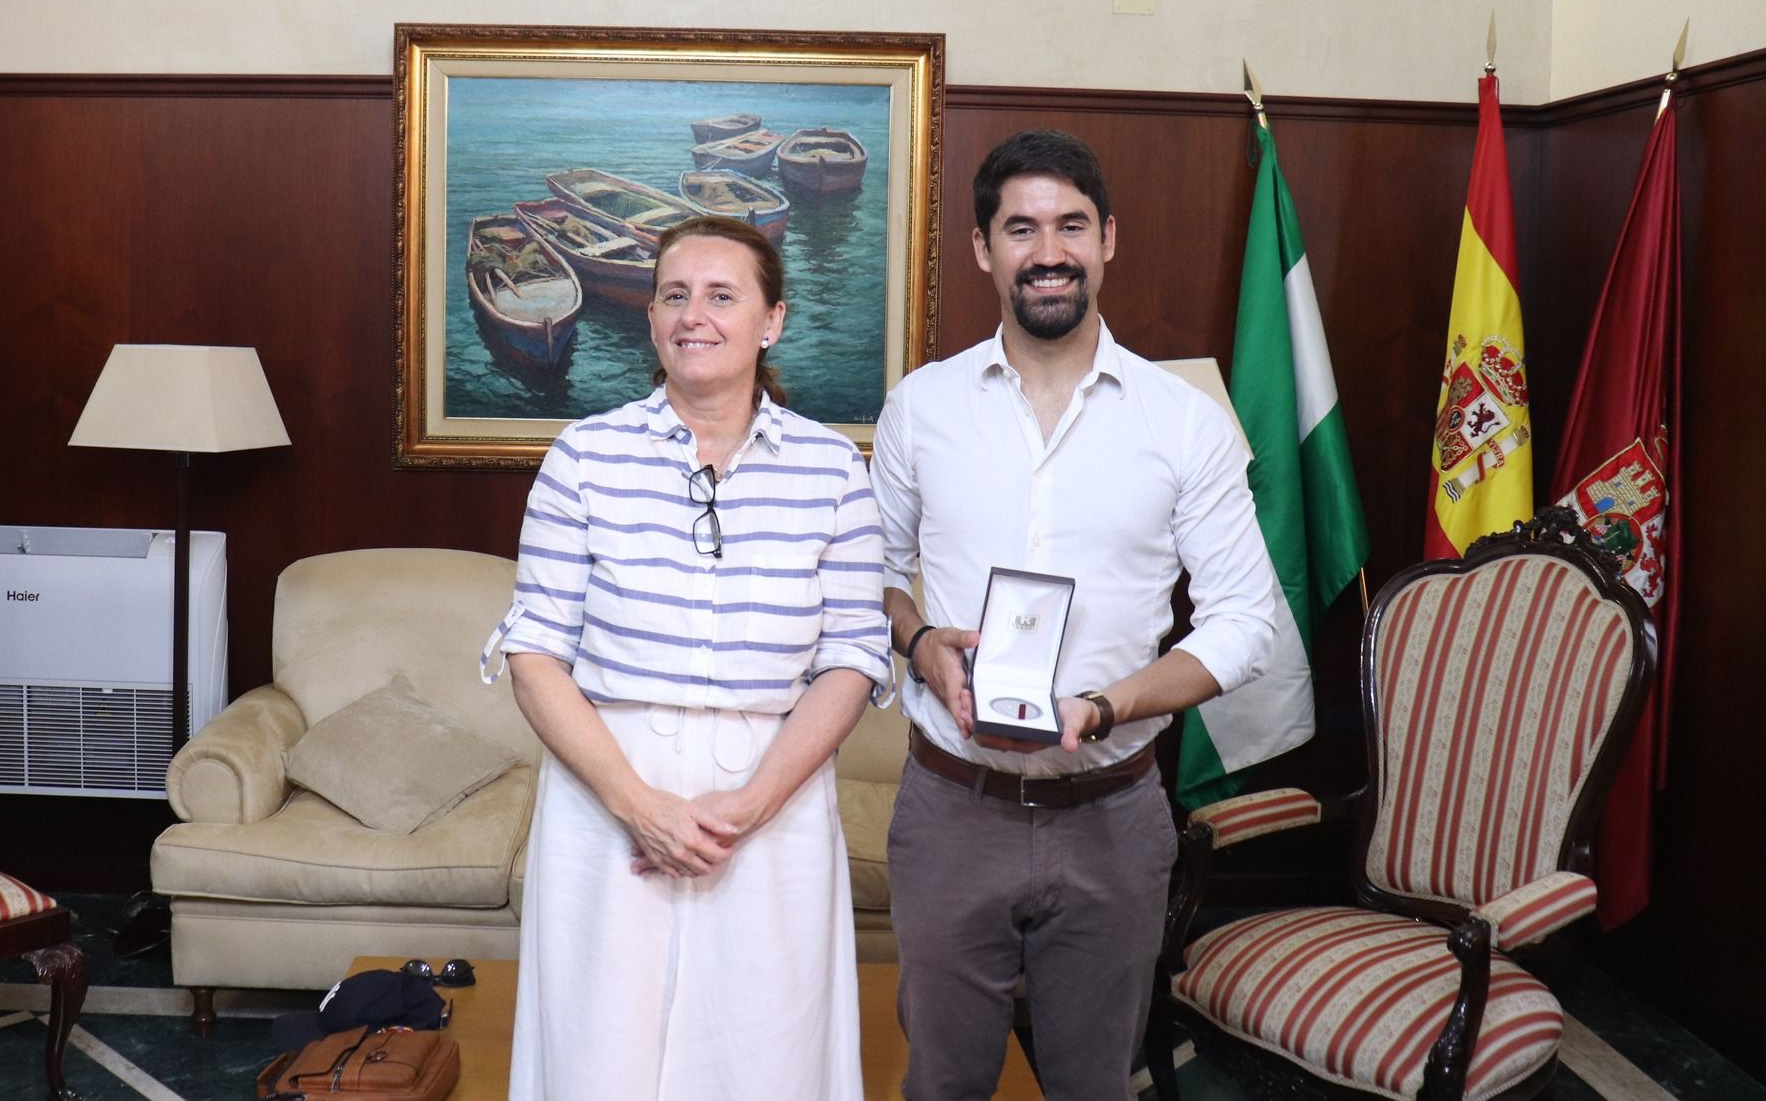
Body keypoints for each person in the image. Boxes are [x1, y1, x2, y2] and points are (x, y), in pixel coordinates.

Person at [871, 128, 1275, 1100]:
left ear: (1107, 240)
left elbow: (1244, 622)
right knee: (942, 1084)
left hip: (1112, 814)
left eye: (1070, 226)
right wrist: (920, 644)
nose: (1047, 251)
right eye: (1020, 228)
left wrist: (1104, 706)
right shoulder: (920, 408)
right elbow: (868, 577)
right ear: (983, 248)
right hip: (951, 807)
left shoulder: (1184, 422)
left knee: (1093, 1085)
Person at [483, 215, 891, 1100]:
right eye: (674, 294)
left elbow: (853, 658)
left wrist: (750, 804)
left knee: (766, 1059)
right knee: (599, 1058)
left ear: (772, 320)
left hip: (773, 794)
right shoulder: (583, 457)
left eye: (721, 295)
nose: (692, 315)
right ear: (651, 317)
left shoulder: (833, 469)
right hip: (609, 789)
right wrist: (638, 806)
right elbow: (534, 651)